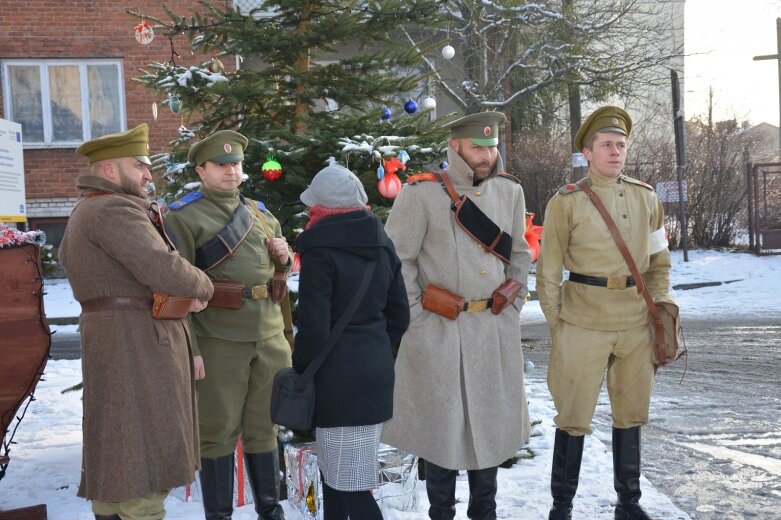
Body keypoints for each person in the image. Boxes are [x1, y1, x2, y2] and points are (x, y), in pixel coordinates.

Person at [382, 112, 532, 520]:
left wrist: (512, 307)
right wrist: (416, 315)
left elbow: (519, 255)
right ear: (456, 147)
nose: (486, 154)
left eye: (491, 146)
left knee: (490, 430)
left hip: (493, 327)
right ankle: (441, 514)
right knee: (441, 432)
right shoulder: (421, 194)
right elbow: (398, 261)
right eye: (477, 147)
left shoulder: (509, 191)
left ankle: (485, 513)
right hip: (439, 330)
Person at [59, 123, 214, 520]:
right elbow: (162, 266)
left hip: (119, 337)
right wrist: (202, 285)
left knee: (117, 445)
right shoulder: (114, 208)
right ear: (110, 170)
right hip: (138, 342)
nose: (149, 174)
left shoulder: (86, 209)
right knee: (143, 445)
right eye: (139, 165)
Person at [536, 106, 674, 520]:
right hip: (581, 321)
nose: (615, 152)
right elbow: (547, 271)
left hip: (634, 322)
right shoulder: (566, 202)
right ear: (587, 152)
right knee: (573, 416)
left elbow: (660, 263)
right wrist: (558, 325)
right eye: (606, 145)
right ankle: (562, 506)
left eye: (621, 145)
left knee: (631, 412)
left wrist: (658, 309)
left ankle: (628, 504)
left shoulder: (647, 196)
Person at [163, 130, 292, 520]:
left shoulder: (259, 212)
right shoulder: (183, 216)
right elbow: (176, 289)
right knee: (217, 432)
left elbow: (278, 277)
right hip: (218, 338)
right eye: (221, 165)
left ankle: (270, 512)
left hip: (268, 334)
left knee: (265, 427)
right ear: (201, 170)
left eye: (235, 164)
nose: (231, 171)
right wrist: (193, 351)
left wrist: (284, 259)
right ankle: (218, 515)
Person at [292, 164, 410, 520]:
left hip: (336, 380)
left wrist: (302, 371)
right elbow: (400, 316)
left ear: (320, 207)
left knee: (350, 486)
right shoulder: (381, 242)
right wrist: (372, 349)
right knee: (337, 477)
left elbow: (313, 328)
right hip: (374, 372)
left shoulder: (318, 249)